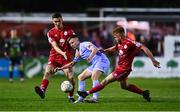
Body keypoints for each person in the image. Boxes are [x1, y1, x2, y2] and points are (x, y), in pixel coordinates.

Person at [77, 26, 161, 102]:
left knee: (105, 81)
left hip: (124, 69)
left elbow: (144, 48)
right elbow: (114, 48)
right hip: (121, 68)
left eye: (115, 36)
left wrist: (153, 60)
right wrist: (105, 50)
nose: (115, 38)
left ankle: (86, 93)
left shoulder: (130, 42)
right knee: (124, 86)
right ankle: (143, 93)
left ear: (120, 35)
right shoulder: (119, 43)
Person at [34, 13, 76, 103]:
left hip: (66, 59)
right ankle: (42, 91)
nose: (57, 23)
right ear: (53, 21)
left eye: (59, 21)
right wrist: (62, 52)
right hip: (54, 57)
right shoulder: (50, 33)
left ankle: (71, 97)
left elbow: (75, 43)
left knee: (71, 77)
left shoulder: (69, 31)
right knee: (48, 72)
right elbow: (55, 46)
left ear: (62, 20)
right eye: (55, 21)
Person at [56, 35, 110, 103]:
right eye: (70, 44)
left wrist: (90, 57)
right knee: (81, 77)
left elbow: (95, 49)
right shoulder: (78, 52)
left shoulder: (85, 44)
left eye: (72, 42)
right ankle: (80, 98)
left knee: (94, 76)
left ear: (77, 40)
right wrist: (61, 68)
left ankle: (95, 98)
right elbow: (72, 64)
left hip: (102, 61)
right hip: (95, 64)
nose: (71, 45)